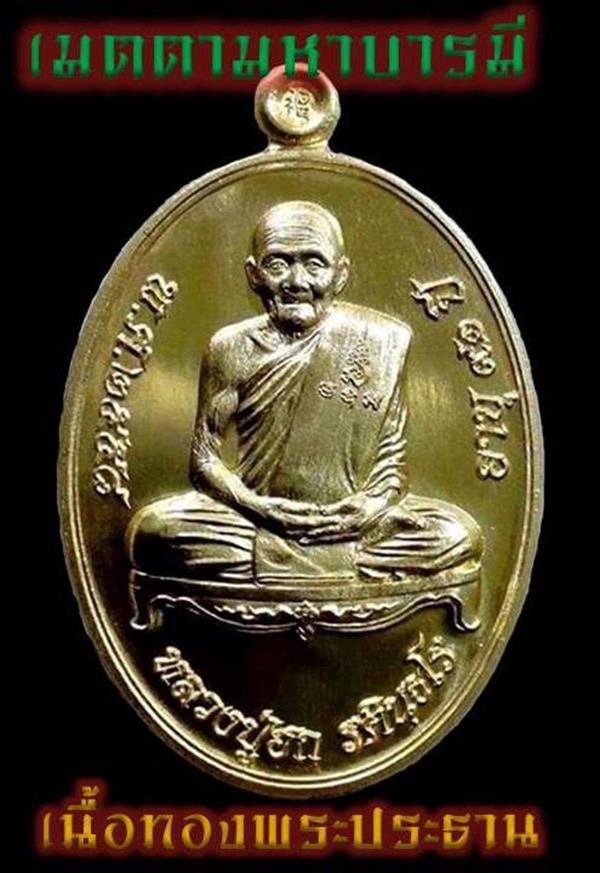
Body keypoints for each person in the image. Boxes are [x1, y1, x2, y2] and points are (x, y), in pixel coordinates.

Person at [127, 201, 482, 587]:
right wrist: (261, 509)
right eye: (278, 264)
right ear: (253, 275)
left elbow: (391, 462)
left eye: (314, 264)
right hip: (257, 518)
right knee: (157, 532)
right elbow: (204, 460)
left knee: (457, 534)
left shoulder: (382, 341)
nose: (296, 282)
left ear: (340, 275)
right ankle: (338, 560)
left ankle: (309, 554)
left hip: (350, 522)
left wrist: (370, 508)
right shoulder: (229, 348)